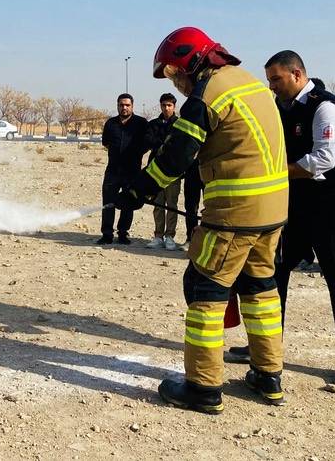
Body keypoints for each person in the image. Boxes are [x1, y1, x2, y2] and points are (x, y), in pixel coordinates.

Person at [115, 27, 289, 413]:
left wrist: (141, 189)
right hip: (273, 212)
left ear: (192, 62)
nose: (176, 84)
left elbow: (177, 155)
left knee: (205, 289)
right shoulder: (249, 84)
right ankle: (268, 375)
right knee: (260, 288)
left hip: (233, 214)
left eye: (175, 74)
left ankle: (203, 387)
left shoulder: (207, 95)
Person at [264, 50, 335, 389]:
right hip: (297, 204)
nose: (272, 86)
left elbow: (323, 159)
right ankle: (265, 350)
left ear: (296, 74)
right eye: (269, 80)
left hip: (334, 205)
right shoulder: (280, 109)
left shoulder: (325, 107)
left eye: (276, 79)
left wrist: (275, 174)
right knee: (272, 272)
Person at [99, 94, 148, 245]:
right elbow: (106, 143)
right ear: (117, 106)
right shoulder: (110, 123)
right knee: (108, 203)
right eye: (121, 105)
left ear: (132, 106)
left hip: (132, 172)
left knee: (128, 203)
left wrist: (134, 154)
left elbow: (146, 143)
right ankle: (107, 234)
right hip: (113, 170)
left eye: (127, 105)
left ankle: (122, 234)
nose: (124, 107)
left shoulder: (141, 123)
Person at [145, 93, 181, 250]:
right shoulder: (153, 124)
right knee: (158, 204)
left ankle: (170, 237)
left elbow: (181, 146)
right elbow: (149, 141)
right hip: (156, 171)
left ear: (174, 106)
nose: (166, 108)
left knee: (172, 204)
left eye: (169, 105)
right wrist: (164, 145)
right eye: (164, 105)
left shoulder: (181, 124)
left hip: (173, 171)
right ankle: (158, 236)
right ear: (160, 106)